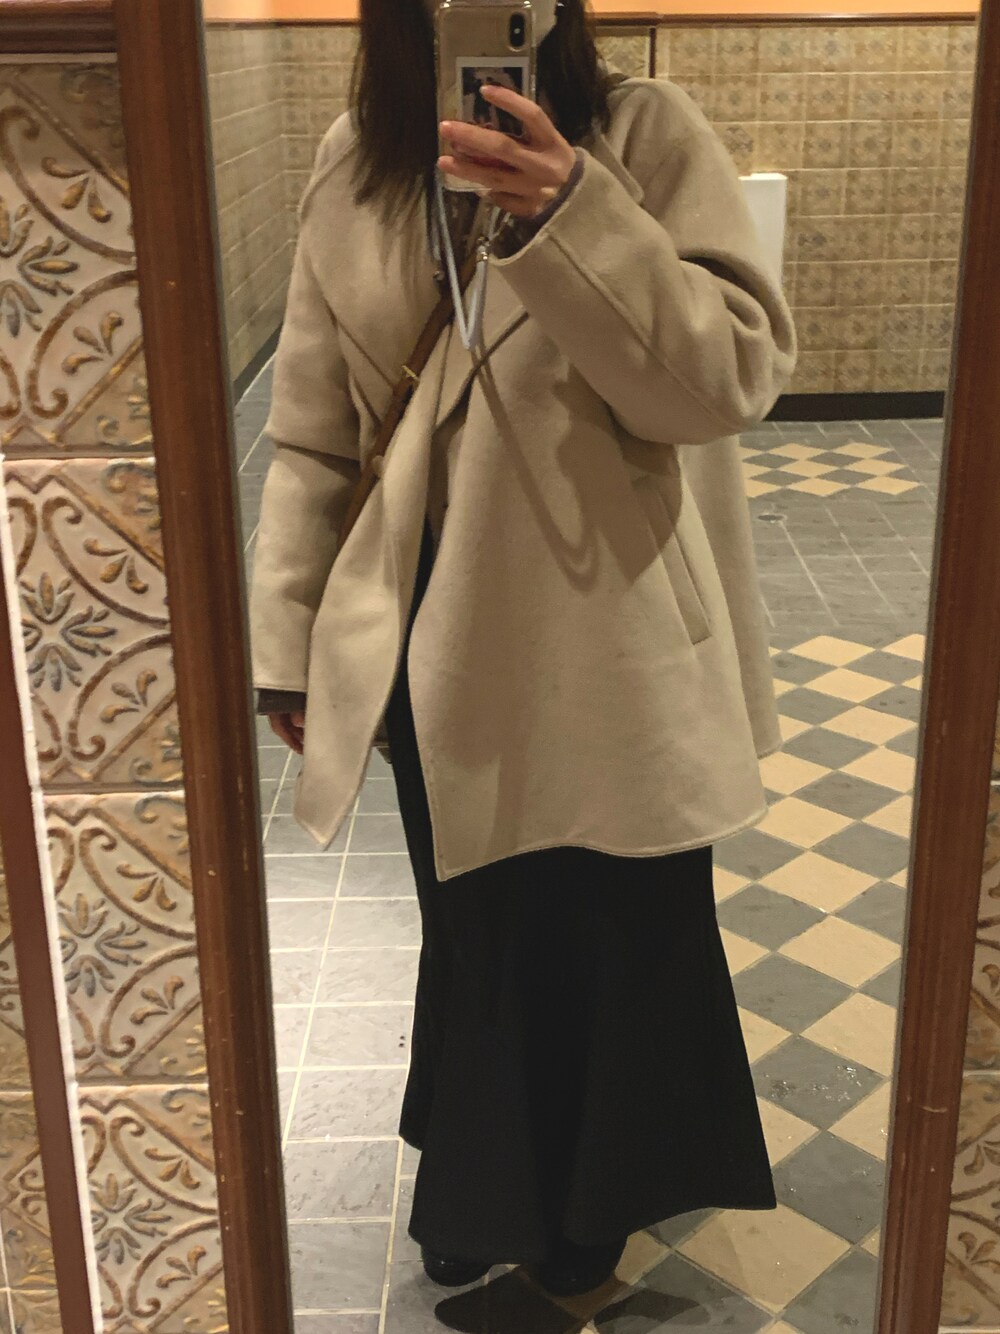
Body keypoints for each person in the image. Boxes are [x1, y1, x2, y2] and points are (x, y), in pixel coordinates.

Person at [250, 0, 796, 1301]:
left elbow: (725, 381)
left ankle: (594, 1196)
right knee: (479, 928)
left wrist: (573, 215)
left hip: (616, 623)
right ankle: (482, 1176)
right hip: (429, 624)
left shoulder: (645, 137)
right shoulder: (357, 162)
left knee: (619, 928)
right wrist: (289, 638)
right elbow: (316, 424)